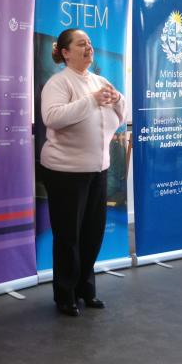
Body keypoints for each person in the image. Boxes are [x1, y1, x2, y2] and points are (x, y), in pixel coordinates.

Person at [40, 28, 126, 317]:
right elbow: (51, 118)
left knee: (92, 234)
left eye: (89, 43)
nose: (88, 47)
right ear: (65, 52)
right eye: (81, 44)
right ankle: (65, 295)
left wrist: (116, 100)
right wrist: (91, 101)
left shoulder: (100, 81)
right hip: (65, 172)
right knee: (68, 236)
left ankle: (85, 290)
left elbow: (119, 119)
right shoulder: (58, 82)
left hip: (97, 171)